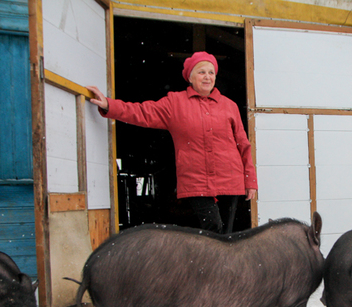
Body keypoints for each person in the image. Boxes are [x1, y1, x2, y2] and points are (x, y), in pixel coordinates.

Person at [86, 51, 257, 234]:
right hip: (197, 180)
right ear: (190, 78)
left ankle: (220, 263)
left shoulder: (229, 106)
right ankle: (205, 262)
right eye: (201, 72)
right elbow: (142, 112)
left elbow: (242, 143)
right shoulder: (175, 103)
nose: (207, 77)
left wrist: (250, 180)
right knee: (213, 228)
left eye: (211, 72)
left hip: (230, 177)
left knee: (227, 232)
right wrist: (109, 105)